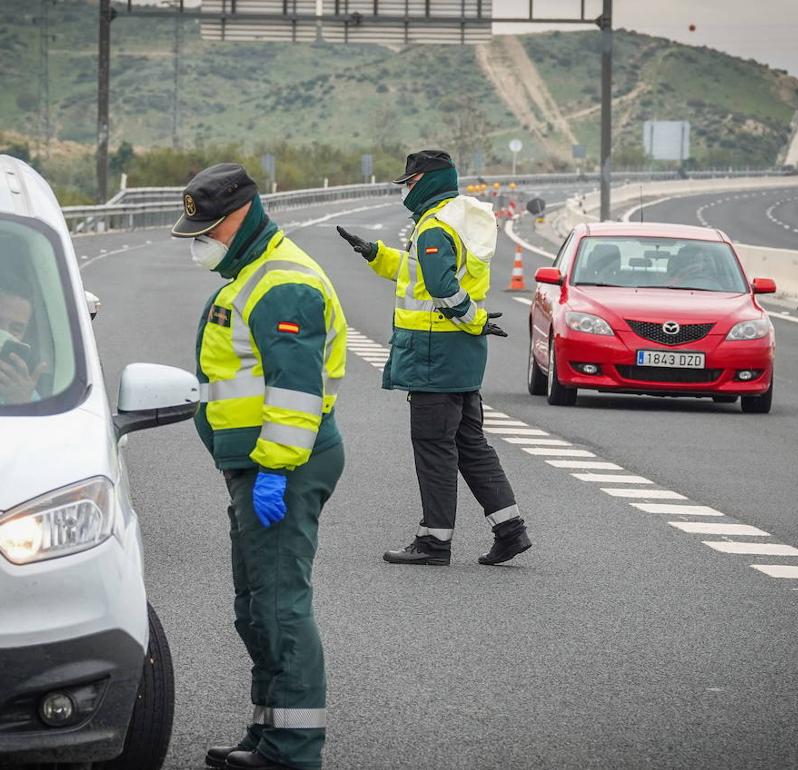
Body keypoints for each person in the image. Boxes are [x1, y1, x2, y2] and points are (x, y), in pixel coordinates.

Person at [173, 163, 346, 770]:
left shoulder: (282, 283)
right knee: (255, 609)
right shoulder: (251, 271)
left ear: (243, 214)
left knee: (279, 607)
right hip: (256, 466)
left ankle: (294, 750)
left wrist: (273, 470)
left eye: (209, 228)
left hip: (284, 467)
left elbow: (296, 392)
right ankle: (267, 733)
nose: (203, 240)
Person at [336, 149, 532, 567]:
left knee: (433, 446)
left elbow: (441, 286)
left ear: (426, 181)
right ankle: (510, 529)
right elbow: (418, 275)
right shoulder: (458, 218)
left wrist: (472, 319)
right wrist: (374, 252)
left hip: (434, 353)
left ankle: (433, 541)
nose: (405, 189)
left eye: (409, 181)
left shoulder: (433, 228)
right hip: (460, 356)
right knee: (469, 444)